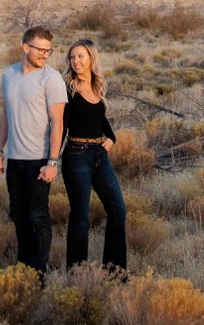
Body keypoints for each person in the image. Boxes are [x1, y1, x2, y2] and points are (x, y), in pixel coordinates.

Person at [0, 25, 68, 275]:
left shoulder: (52, 78)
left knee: (38, 217)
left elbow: (58, 123)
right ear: (25, 48)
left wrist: (53, 162)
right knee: (18, 216)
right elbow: (6, 113)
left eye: (49, 50)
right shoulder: (8, 75)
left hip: (39, 161)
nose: (45, 55)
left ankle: (39, 272)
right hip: (14, 159)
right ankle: (23, 268)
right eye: (40, 50)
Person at [60, 38, 128, 273]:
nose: (76, 61)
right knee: (81, 216)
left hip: (99, 156)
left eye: (80, 56)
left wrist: (111, 138)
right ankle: (76, 274)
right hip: (76, 155)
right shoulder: (67, 88)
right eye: (72, 57)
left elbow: (99, 118)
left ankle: (115, 272)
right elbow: (61, 126)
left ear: (91, 58)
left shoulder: (96, 86)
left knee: (118, 210)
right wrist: (51, 160)